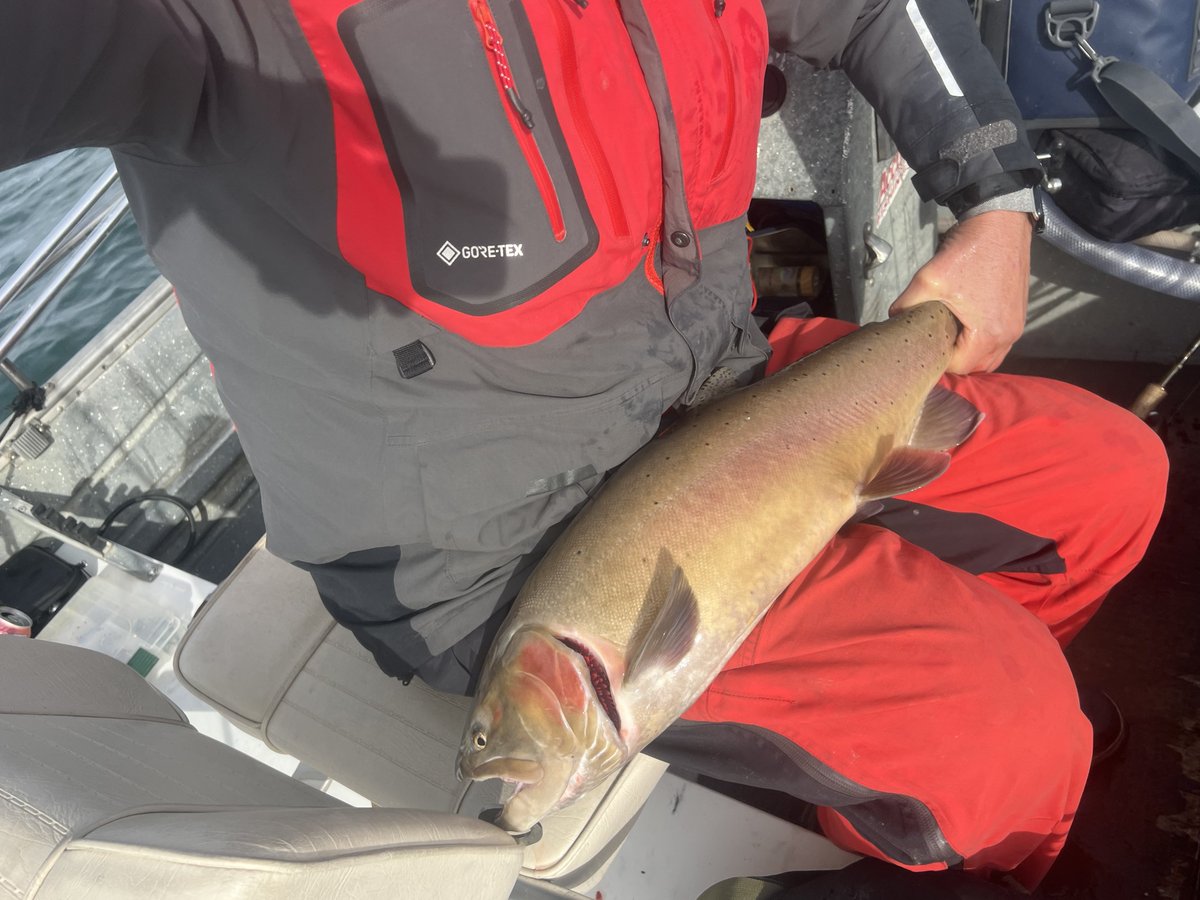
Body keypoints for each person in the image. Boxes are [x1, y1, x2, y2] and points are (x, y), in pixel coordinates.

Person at [0, 0, 1167, 888]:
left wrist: (997, 201)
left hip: (722, 385)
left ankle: (921, 738)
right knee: (1007, 737)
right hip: (494, 549)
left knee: (1113, 478)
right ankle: (954, 803)